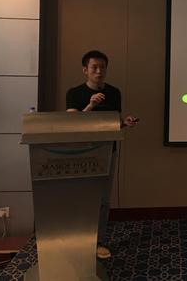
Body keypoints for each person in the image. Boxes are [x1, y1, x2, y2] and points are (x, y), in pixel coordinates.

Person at [66, 50, 138, 259]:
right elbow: (71, 124)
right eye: (94, 67)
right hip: (81, 151)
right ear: (85, 70)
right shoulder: (75, 93)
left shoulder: (114, 92)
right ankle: (78, 239)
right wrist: (90, 105)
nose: (99, 71)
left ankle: (98, 241)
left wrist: (125, 123)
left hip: (107, 150)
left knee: (103, 199)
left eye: (102, 67)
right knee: (81, 195)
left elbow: (115, 123)